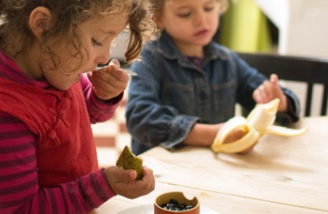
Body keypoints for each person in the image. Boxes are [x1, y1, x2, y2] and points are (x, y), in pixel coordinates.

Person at [0, 0, 155, 214]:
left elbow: (86, 113)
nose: (104, 57)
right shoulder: (2, 116)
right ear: (43, 24)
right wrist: (103, 185)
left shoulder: (53, 64)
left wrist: (103, 96)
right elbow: (22, 212)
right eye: (97, 40)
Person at [125, 0, 301, 155]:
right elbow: (141, 119)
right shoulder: (149, 60)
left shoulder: (228, 60)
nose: (202, 20)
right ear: (158, 18)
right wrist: (214, 134)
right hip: (162, 175)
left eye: (208, 8)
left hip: (216, 171)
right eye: (185, 14)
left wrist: (280, 102)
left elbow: (268, 100)